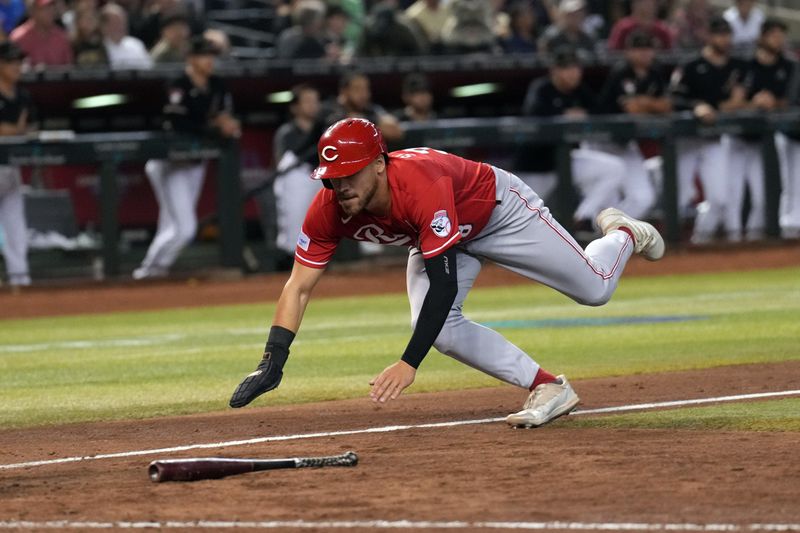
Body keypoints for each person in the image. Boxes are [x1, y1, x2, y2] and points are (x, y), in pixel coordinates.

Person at [229, 117, 665, 428]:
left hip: (499, 213)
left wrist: (408, 362)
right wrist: (273, 361)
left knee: (595, 289)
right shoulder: (329, 209)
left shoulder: (418, 183)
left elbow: (444, 282)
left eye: (350, 175)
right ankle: (547, 386)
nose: (340, 187)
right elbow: (298, 287)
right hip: (437, 235)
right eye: (331, 177)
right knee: (439, 329)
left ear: (379, 164)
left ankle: (623, 232)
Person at [133, 37, 240, 280]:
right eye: (204, 55)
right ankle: (148, 271)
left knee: (172, 226)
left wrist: (227, 124)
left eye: (212, 56)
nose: (209, 61)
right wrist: (214, 126)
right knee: (185, 228)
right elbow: (176, 122)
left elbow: (226, 115)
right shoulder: (177, 84)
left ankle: (153, 272)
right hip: (169, 163)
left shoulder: (217, 85)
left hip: (194, 163)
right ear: (191, 58)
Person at [518, 46, 625, 229]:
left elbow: (600, 110)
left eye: (576, 68)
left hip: (566, 160)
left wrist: (583, 113)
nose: (573, 74)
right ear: (555, 71)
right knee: (521, 216)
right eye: (567, 68)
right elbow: (533, 112)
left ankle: (582, 217)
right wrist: (563, 114)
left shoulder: (578, 90)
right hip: (536, 166)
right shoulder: (542, 88)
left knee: (614, 168)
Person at [669, 16, 748, 243]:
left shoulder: (736, 67)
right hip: (687, 139)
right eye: (719, 34)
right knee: (680, 196)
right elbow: (673, 98)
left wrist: (735, 104)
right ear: (709, 36)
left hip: (714, 140)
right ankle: (668, 246)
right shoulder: (691, 65)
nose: (724, 39)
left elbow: (741, 100)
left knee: (721, 199)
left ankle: (699, 241)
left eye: (727, 35)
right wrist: (696, 106)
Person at [595, 30, 672, 220]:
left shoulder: (655, 72)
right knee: (606, 202)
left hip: (627, 143)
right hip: (603, 143)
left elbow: (667, 106)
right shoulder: (621, 72)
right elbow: (632, 108)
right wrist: (651, 105)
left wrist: (645, 102)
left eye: (648, 48)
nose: (645, 53)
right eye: (639, 49)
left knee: (643, 198)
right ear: (628, 52)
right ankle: (596, 236)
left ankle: (609, 234)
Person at [731, 19, 794, 241]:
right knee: (731, 197)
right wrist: (754, 103)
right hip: (737, 138)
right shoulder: (745, 65)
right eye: (774, 35)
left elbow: (791, 102)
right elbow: (732, 103)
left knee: (762, 198)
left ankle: (753, 246)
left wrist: (773, 102)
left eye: (781, 36)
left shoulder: (788, 66)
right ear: (762, 37)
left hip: (765, 142)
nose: (779, 40)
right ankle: (726, 242)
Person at [269, 84, 322, 268]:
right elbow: (282, 163)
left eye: (315, 101)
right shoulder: (287, 132)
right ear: (295, 107)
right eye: (307, 101)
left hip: (319, 177)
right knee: (294, 228)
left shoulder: (324, 128)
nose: (313, 106)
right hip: (296, 178)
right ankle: (287, 262)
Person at [0, 42, 32, 287]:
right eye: (11, 62)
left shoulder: (22, 94)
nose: (17, 66)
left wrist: (16, 130)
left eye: (19, 61)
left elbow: (29, 128)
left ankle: (19, 277)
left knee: (16, 225)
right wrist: (16, 130)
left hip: (10, 167)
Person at [10, 0, 74, 66]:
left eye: (52, 7)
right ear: (33, 11)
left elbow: (69, 67)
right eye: (45, 8)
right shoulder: (19, 38)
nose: (50, 12)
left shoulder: (61, 37)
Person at [100, 3, 152, 70]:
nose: (121, 26)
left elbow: (149, 71)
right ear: (104, 26)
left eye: (122, 22)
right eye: (116, 22)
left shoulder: (136, 44)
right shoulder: (99, 48)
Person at [607, 0, 673, 51]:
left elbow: (670, 54)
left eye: (651, 3)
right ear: (634, 5)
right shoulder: (623, 28)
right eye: (643, 2)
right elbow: (613, 52)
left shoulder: (662, 29)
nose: (647, 6)